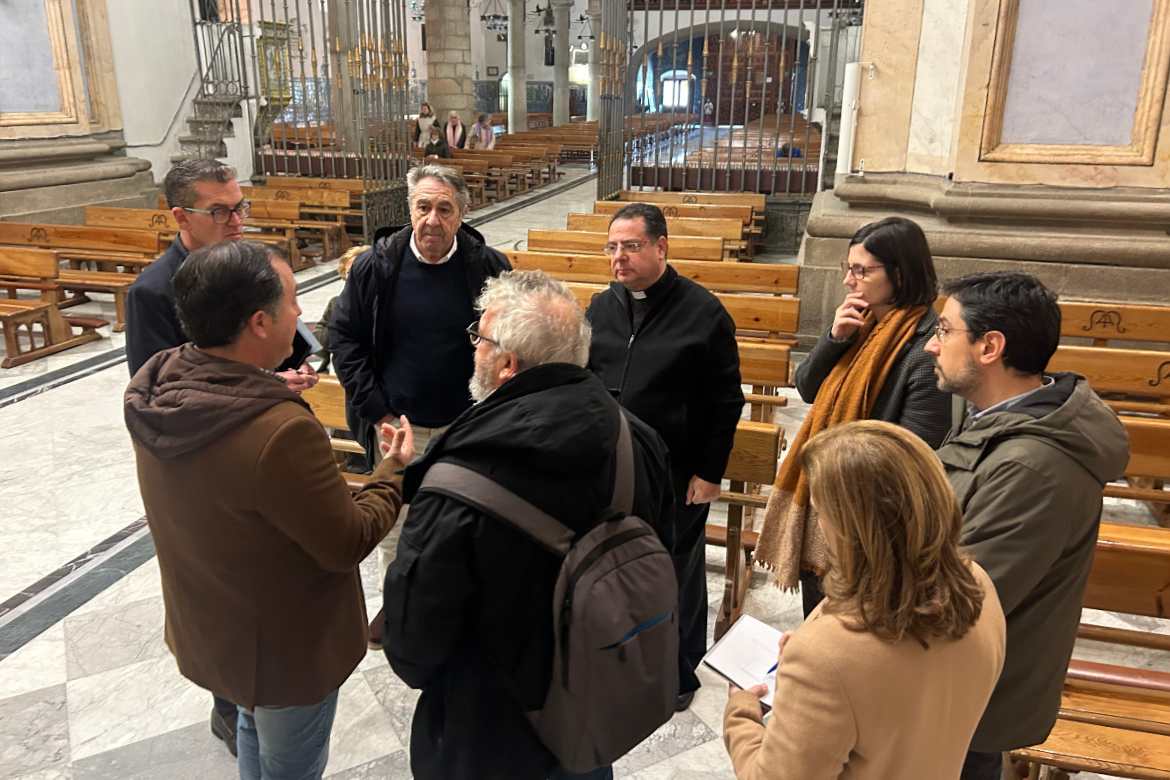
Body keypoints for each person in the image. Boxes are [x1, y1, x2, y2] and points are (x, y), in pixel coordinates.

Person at [124, 240, 413, 780]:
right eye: (293, 300)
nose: (301, 314)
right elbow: (346, 541)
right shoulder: (279, 432)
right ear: (259, 322)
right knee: (291, 766)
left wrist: (262, 384)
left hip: (214, 627)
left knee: (252, 728)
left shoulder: (160, 386)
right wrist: (390, 473)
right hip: (283, 650)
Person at [382, 270, 675, 780]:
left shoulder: (454, 478)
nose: (473, 347)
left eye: (480, 338)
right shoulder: (639, 441)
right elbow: (661, 547)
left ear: (506, 365)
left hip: (487, 735)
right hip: (586, 717)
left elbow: (414, 645)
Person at [124, 158, 317, 756]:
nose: (237, 220)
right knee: (218, 587)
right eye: (221, 210)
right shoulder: (155, 292)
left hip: (252, 435)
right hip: (206, 458)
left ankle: (243, 707)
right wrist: (261, 391)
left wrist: (288, 371)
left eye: (241, 206)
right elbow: (165, 392)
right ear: (181, 216)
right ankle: (230, 707)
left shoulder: (250, 265)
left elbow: (277, 341)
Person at [925, 272, 1129, 780]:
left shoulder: (1032, 466)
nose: (932, 345)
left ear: (990, 346)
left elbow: (956, 600)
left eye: (945, 330)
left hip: (969, 697)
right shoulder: (989, 414)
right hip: (949, 688)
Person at [724, 420, 1006, 779]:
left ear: (852, 528)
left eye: (821, 512)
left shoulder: (829, 656)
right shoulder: (978, 583)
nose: (818, 524)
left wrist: (741, 713)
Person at [330, 163, 510, 645]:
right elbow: (344, 340)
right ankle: (400, 611)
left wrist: (494, 409)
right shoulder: (376, 266)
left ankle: (460, 608)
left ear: (462, 213)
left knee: (467, 520)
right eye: (423, 207)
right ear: (409, 209)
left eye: (444, 209)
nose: (432, 219)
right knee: (397, 527)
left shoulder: (488, 267)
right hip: (397, 427)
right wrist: (378, 410)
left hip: (467, 424)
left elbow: (511, 340)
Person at [585, 202, 743, 712]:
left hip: (678, 471)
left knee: (677, 570)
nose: (619, 258)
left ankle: (678, 671)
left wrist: (710, 472)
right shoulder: (601, 307)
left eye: (631, 246)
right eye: (612, 247)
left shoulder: (703, 312)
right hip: (613, 465)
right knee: (613, 560)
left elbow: (726, 400)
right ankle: (619, 657)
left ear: (661, 247)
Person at [755, 216, 950, 617]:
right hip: (828, 504)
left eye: (862, 270)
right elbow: (807, 388)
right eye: (849, 269)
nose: (849, 281)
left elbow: (915, 454)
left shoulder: (923, 351)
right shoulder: (861, 324)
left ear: (900, 272)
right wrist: (834, 340)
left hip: (872, 524)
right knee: (820, 616)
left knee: (853, 627)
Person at [313, 244, 367, 374]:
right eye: (349, 272)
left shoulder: (385, 303)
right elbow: (318, 338)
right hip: (337, 371)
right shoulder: (336, 303)